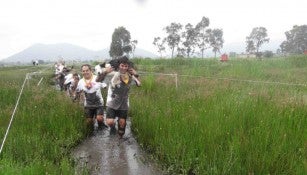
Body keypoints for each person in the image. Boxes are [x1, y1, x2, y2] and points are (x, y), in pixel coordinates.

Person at [105, 56, 141, 138]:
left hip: (124, 103)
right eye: (122, 66)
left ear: (128, 67)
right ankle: (113, 127)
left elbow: (139, 84)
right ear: (119, 66)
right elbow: (102, 74)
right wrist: (104, 72)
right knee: (110, 122)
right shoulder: (113, 73)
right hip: (112, 101)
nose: (124, 68)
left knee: (121, 130)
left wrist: (136, 74)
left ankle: (120, 140)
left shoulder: (130, 76)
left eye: (126, 66)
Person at [75, 64, 112, 133]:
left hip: (99, 103)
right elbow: (78, 91)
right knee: (89, 122)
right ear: (82, 72)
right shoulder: (81, 82)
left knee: (99, 119)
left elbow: (105, 86)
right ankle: (91, 132)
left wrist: (109, 95)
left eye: (87, 70)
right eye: (83, 71)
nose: (85, 72)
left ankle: (102, 130)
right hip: (88, 104)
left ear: (91, 70)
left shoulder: (97, 78)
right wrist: (76, 99)